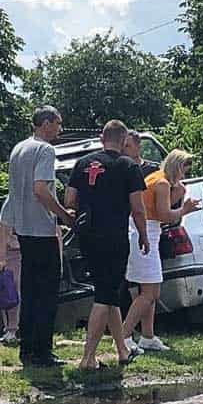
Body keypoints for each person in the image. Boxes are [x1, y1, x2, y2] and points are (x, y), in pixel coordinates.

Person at [64, 120, 149, 370]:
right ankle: (87, 358)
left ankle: (122, 350)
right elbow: (138, 208)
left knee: (109, 291)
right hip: (114, 237)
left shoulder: (83, 164)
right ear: (124, 141)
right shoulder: (128, 166)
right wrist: (143, 235)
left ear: (102, 138)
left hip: (88, 236)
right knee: (104, 295)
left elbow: (69, 199)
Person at [7, 106, 76, 368]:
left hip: (22, 228)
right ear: (45, 123)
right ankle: (44, 351)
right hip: (42, 229)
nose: (60, 129)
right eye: (58, 124)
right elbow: (40, 189)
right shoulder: (45, 150)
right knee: (46, 292)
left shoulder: (18, 149)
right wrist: (62, 215)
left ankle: (27, 349)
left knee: (30, 290)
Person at [120, 149, 202, 354]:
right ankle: (124, 336)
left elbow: (156, 209)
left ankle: (147, 336)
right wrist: (185, 209)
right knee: (147, 293)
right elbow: (165, 215)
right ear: (177, 166)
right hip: (145, 232)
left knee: (153, 292)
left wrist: (179, 193)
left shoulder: (157, 178)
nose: (185, 175)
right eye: (184, 170)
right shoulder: (162, 183)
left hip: (147, 231)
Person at [0, 197, 21, 346]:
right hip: (13, 251)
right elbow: (3, 230)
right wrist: (2, 258)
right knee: (11, 290)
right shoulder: (11, 202)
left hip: (32, 248)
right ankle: (11, 329)